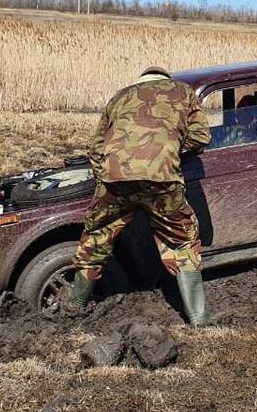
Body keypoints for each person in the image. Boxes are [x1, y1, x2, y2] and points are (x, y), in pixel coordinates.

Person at [70, 66, 214, 325]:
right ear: (165, 79)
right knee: (181, 240)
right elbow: (201, 137)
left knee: (97, 236)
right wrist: (168, 144)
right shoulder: (183, 91)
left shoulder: (120, 96)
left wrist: (108, 175)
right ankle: (199, 319)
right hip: (162, 178)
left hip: (115, 179)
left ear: (141, 81)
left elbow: (96, 149)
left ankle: (75, 306)